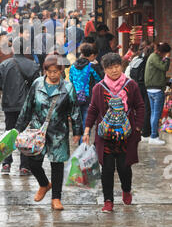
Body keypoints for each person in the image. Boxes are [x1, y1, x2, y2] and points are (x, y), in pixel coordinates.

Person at [15, 54, 82, 210]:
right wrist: (18, 128)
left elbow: (75, 111)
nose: (52, 75)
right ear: (44, 70)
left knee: (57, 164)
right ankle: (44, 184)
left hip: (59, 131)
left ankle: (56, 198)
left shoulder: (68, 87)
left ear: (61, 71)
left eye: (56, 71)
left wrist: (77, 131)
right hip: (37, 130)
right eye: (49, 71)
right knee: (33, 162)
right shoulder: (37, 84)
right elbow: (27, 106)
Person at [83, 53, 144, 213]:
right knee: (107, 170)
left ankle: (126, 189)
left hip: (126, 136)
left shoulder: (131, 86)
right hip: (105, 137)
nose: (114, 70)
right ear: (105, 70)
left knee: (124, 168)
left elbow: (140, 106)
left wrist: (137, 126)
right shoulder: (99, 88)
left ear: (121, 66)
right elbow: (93, 109)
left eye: (117, 66)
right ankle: (108, 200)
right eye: (110, 68)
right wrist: (87, 129)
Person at [0, 37, 40, 176]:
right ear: (26, 49)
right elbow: (37, 87)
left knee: (9, 132)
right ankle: (24, 166)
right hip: (26, 106)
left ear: (13, 48)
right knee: (26, 134)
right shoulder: (33, 65)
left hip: (9, 104)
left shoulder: (4, 65)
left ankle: (6, 163)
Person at [69, 43, 102, 132]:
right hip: (88, 97)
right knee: (86, 122)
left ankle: (80, 141)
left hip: (75, 96)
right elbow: (100, 79)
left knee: (77, 121)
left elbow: (71, 80)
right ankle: (84, 143)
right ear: (91, 55)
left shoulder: (73, 66)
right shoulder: (91, 67)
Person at [144, 42, 171, 145]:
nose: (166, 55)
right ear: (163, 52)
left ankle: (153, 135)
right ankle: (154, 136)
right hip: (156, 90)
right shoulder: (154, 57)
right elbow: (164, 67)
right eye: (166, 53)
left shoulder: (154, 56)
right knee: (156, 114)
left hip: (151, 89)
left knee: (153, 113)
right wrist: (167, 59)